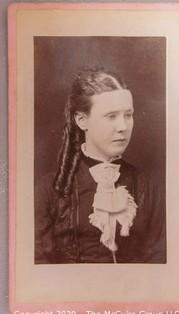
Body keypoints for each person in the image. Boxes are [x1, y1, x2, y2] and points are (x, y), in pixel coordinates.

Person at [35, 68, 166, 264]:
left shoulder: (149, 189)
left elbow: (160, 266)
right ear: (82, 121)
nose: (123, 126)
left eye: (128, 115)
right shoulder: (48, 191)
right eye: (111, 116)